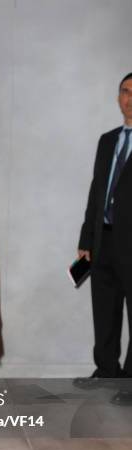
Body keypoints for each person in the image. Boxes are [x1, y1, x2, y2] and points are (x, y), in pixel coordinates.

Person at [74, 72, 132, 405]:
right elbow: (97, 192)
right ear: (117, 96)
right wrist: (86, 239)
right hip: (103, 240)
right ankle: (107, 370)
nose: (129, 98)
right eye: (124, 91)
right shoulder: (107, 140)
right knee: (105, 309)